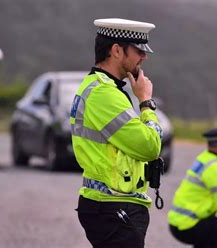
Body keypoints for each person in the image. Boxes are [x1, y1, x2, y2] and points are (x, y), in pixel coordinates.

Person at [69, 18, 162, 248]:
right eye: (139, 50)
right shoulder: (104, 93)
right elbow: (150, 146)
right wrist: (146, 102)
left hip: (112, 204)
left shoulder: (105, 88)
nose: (144, 57)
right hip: (112, 205)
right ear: (117, 50)